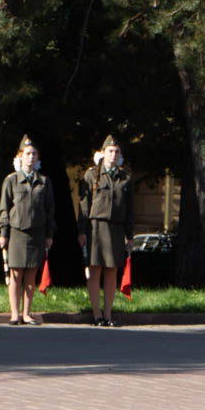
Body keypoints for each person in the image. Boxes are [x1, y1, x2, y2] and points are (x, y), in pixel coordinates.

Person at [0, 136, 55, 326]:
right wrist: (3, 232)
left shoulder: (44, 182)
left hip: (37, 232)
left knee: (31, 274)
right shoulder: (12, 181)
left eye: (34, 154)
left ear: (38, 157)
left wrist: (49, 235)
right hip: (17, 232)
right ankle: (15, 313)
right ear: (20, 156)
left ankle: (27, 313)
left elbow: (50, 211)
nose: (31, 158)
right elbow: (4, 209)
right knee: (16, 274)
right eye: (27, 154)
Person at [77, 136, 134, 326]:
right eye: (110, 151)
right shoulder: (92, 175)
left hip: (116, 229)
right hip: (95, 228)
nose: (113, 155)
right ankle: (97, 314)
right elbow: (84, 205)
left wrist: (130, 235)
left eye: (117, 152)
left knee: (111, 272)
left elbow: (130, 210)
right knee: (95, 271)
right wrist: (82, 230)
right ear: (102, 153)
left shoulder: (125, 178)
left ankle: (108, 315)